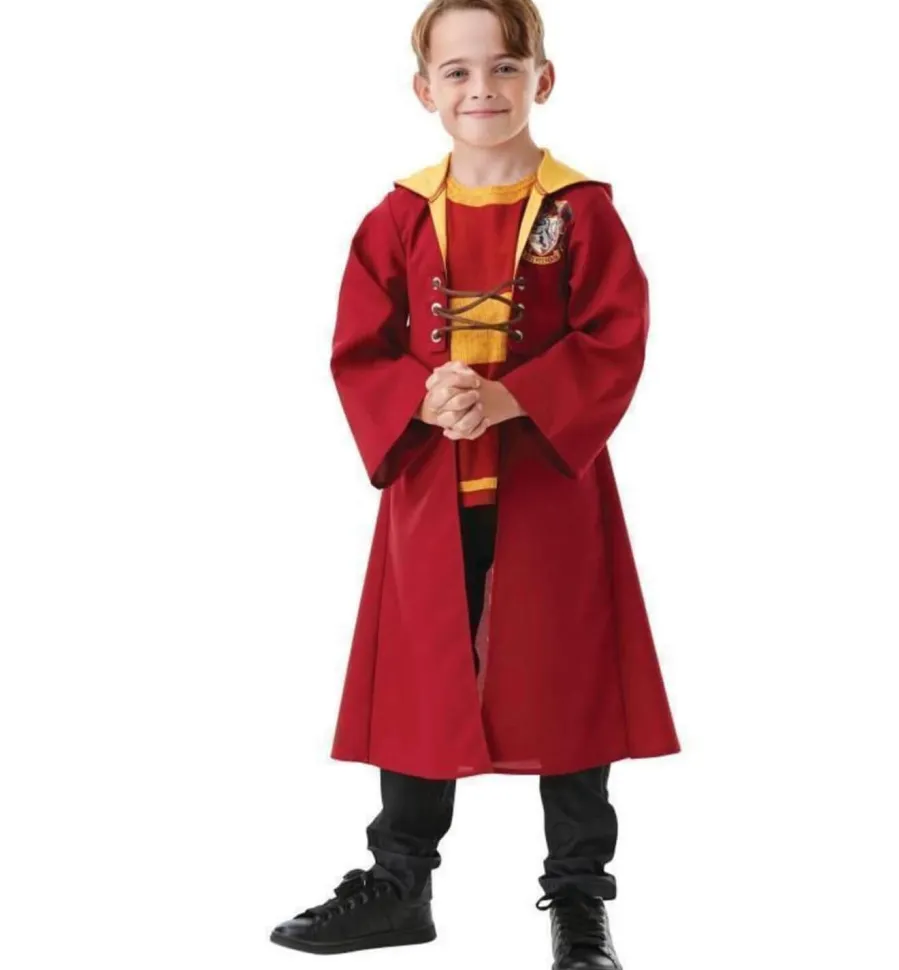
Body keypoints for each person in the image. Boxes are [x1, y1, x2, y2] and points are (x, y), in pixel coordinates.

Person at [270, 1, 680, 965]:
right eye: (456, 72)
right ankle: (399, 882)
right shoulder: (400, 217)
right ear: (425, 90)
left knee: (569, 679)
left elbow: (616, 336)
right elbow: (359, 347)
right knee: (423, 676)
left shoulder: (581, 211)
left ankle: (579, 899)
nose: (481, 88)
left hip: (550, 488)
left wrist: (510, 400)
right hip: (432, 487)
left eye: (503, 67)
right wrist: (423, 396)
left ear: (542, 78)